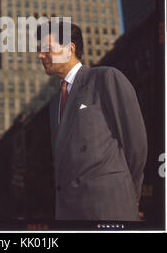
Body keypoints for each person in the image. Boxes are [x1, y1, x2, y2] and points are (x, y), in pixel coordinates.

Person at [37, 21, 147, 221]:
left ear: (69, 48)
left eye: (46, 49)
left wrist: (131, 196)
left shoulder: (105, 78)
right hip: (69, 215)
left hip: (109, 209)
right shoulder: (54, 104)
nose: (40, 55)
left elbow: (136, 144)